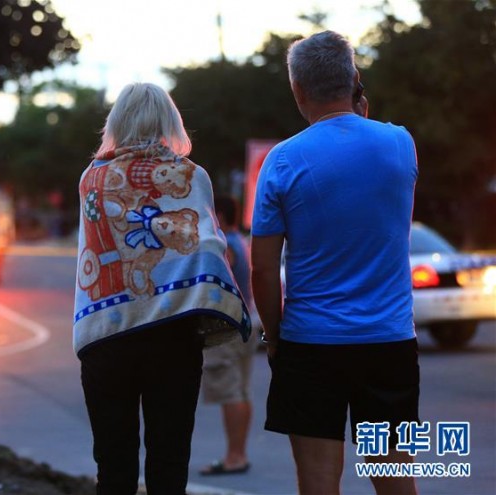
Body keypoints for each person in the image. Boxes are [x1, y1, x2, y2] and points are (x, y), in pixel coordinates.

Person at [251, 31, 419, 495]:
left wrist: (273, 335)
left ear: (297, 91)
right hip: (389, 340)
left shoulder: (281, 160)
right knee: (395, 478)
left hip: (311, 342)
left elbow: (263, 269)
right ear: (355, 81)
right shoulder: (400, 143)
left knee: (319, 483)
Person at [73, 82, 251, 495]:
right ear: (170, 121)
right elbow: (207, 246)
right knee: (169, 465)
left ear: (117, 122)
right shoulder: (191, 176)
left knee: (112, 467)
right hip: (172, 336)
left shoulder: (91, 179)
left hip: (104, 336)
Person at [199, 195, 257, 476]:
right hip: (247, 323)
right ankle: (238, 454)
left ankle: (235, 456)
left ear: (218, 215)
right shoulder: (240, 241)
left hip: (229, 328)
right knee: (241, 390)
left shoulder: (226, 246)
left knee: (230, 391)